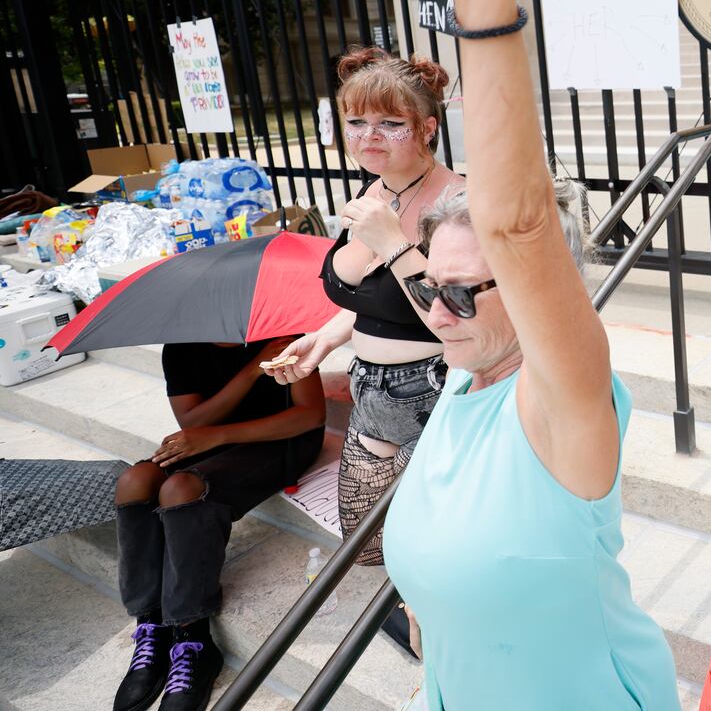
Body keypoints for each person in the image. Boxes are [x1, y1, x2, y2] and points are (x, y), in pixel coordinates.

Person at [378, 0, 679, 710]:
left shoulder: (562, 400)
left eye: (470, 290)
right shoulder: (464, 382)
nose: (439, 309)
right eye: (430, 284)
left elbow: (514, 218)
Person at [268, 48, 463, 576]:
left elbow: (460, 319)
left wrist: (394, 243)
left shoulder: (458, 204)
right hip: (370, 389)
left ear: (426, 127)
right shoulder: (376, 189)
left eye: (389, 123)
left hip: (438, 392)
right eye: (356, 121)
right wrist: (325, 339)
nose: (368, 135)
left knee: (431, 537)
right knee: (367, 543)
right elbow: (372, 299)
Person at [113, 338, 325, 711]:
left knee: (181, 489)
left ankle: (192, 637)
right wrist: (249, 371)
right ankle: (153, 624)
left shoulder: (284, 336)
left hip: (281, 442)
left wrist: (221, 431)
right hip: (209, 439)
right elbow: (193, 422)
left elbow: (310, 415)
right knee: (135, 481)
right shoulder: (181, 348)